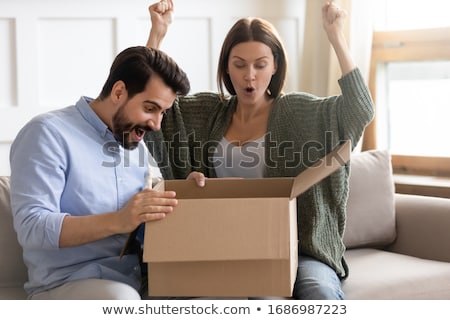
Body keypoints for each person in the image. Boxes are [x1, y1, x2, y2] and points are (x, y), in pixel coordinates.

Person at [145, 0, 374, 300]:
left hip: (301, 249)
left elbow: (359, 111)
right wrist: (157, 35)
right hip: (222, 246)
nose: (249, 75)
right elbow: (148, 107)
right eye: (239, 64)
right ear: (227, 66)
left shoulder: (297, 111)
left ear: (275, 65)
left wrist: (336, 36)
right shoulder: (208, 113)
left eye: (260, 65)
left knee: (320, 294)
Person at [9, 45, 194, 299]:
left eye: (162, 112)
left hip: (138, 280)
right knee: (121, 300)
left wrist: (188, 195)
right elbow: (32, 226)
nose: (156, 124)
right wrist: (119, 219)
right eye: (150, 109)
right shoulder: (48, 133)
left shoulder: (134, 143)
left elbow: (144, 212)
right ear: (119, 92)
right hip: (65, 284)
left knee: (223, 291)